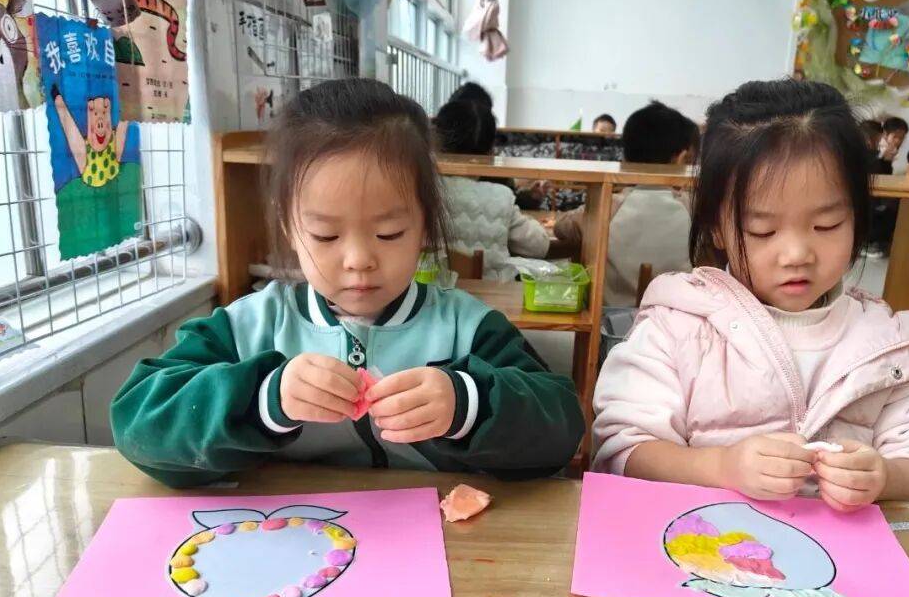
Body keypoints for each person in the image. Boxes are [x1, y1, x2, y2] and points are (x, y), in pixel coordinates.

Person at [111, 79, 584, 487]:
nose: (359, 261)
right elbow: (137, 423)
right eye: (325, 235)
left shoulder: (467, 328)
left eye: (389, 233)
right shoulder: (252, 327)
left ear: (424, 225)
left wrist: (467, 405)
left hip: (435, 541)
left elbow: (561, 429)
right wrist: (262, 399)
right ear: (289, 225)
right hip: (292, 540)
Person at [592, 79, 909, 511]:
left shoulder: (885, 343)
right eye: (762, 230)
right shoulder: (678, 325)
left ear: (857, 217)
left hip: (838, 552)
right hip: (703, 540)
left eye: (827, 226)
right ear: (716, 227)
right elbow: (623, 450)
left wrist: (885, 477)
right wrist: (721, 467)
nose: (797, 255)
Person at [554, 101, 698, 307]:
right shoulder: (692, 208)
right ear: (681, 158)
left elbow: (562, 228)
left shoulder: (608, 206)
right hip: (675, 320)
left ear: (625, 157)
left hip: (610, 321)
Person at [433, 99, 550, 280]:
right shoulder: (499, 197)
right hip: (487, 295)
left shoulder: (419, 190)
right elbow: (539, 246)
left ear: (435, 142)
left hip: (428, 293)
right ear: (490, 151)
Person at [866, 116, 909, 258]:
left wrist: (886, 161)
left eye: (901, 138)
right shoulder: (874, 149)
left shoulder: (888, 152)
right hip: (865, 192)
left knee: (896, 203)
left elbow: (884, 176)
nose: (898, 141)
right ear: (885, 134)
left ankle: (879, 242)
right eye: (895, 137)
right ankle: (869, 243)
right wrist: (881, 158)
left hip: (877, 190)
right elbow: (869, 172)